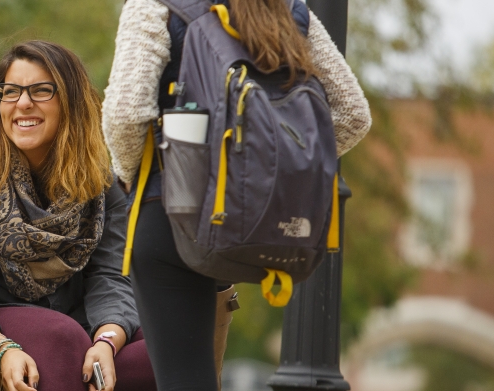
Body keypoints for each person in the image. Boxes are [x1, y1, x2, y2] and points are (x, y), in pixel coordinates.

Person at [102, 0, 373, 389]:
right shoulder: (291, 11)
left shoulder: (154, 5)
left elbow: (126, 112)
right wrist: (266, 179)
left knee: (184, 381)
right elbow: (352, 115)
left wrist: (131, 177)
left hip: (173, 212)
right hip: (253, 222)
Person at [0, 40, 156, 391]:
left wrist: (107, 340)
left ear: (70, 102)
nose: (23, 103)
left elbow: (111, 279)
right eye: (10, 92)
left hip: (72, 332)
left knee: (161, 350)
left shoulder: (102, 187)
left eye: (41, 91)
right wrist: (1, 349)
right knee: (62, 340)